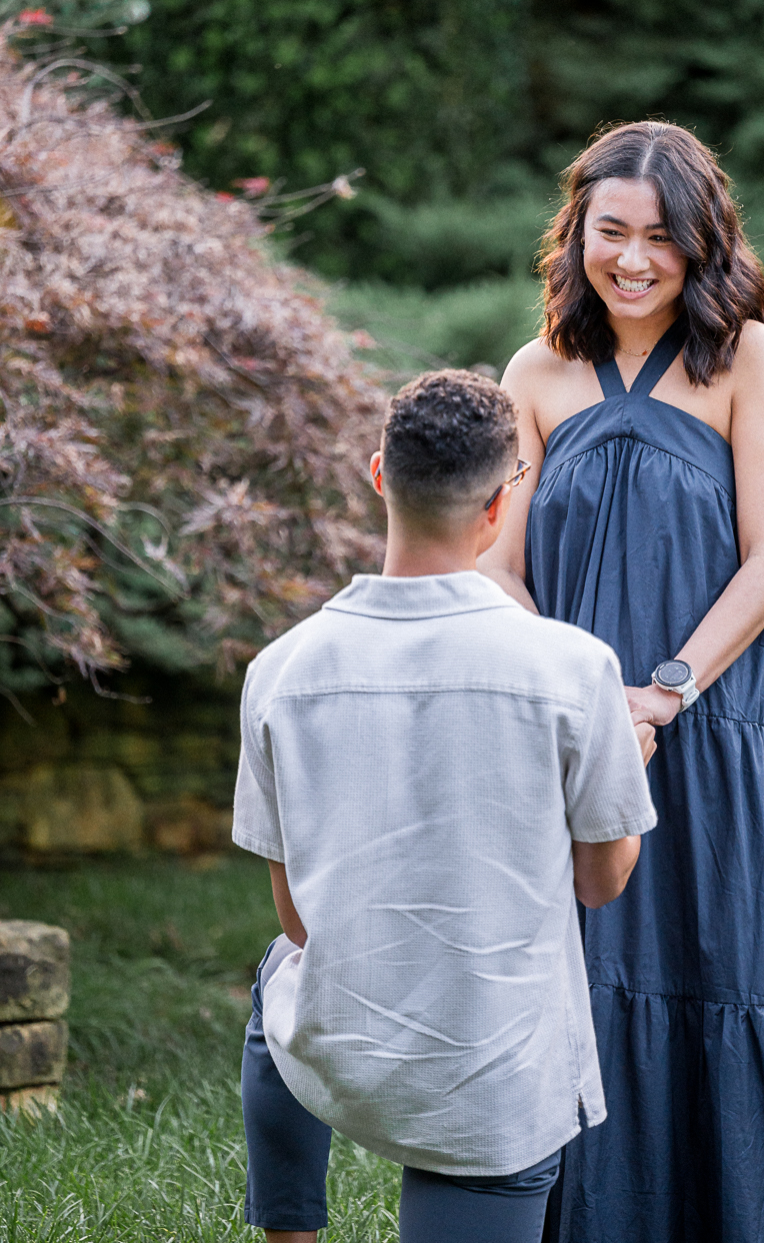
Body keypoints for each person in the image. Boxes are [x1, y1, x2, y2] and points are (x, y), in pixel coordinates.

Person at [480, 121, 764, 1243]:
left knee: (716, 968)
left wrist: (660, 692)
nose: (636, 259)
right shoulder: (533, 373)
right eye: (612, 232)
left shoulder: (750, 359)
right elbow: (499, 566)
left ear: (703, 243)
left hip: (711, 728)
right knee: (584, 983)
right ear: (577, 234)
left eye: (662, 237)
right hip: (570, 736)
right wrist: (583, 697)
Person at [232, 368, 659, 1243]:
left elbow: (298, 918)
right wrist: (631, 763)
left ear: (381, 474)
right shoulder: (574, 669)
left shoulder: (279, 671)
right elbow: (600, 885)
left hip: (338, 1046)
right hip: (492, 1080)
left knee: (276, 980)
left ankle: (290, 1234)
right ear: (503, 505)